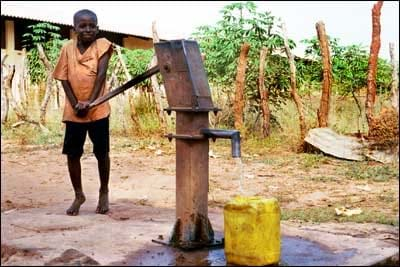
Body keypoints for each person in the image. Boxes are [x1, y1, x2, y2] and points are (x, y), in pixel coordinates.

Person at [53, 9, 113, 215]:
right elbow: (63, 78)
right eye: (83, 26)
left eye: (92, 26)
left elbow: (101, 76)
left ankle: (104, 190)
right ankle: (79, 194)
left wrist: (90, 102)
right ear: (74, 29)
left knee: (101, 152)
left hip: (98, 109)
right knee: (72, 153)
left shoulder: (102, 46)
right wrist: (75, 103)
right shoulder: (67, 49)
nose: (88, 29)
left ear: (97, 28)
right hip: (74, 111)